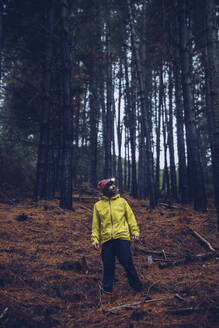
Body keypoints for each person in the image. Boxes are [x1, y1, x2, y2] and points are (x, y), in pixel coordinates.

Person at [91, 178, 142, 296]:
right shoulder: (98, 206)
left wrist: (135, 231)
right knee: (108, 265)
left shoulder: (122, 202)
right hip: (107, 239)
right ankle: (106, 291)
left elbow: (131, 218)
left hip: (122, 237)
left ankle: (138, 288)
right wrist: (95, 239)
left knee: (127, 262)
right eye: (110, 186)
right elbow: (95, 225)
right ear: (104, 189)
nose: (114, 187)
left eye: (114, 185)